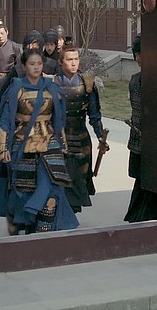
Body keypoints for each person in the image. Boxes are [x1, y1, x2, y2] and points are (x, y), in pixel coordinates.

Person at [0, 48, 79, 234]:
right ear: (24, 66)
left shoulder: (52, 88)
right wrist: (3, 148)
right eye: (32, 64)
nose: (36, 67)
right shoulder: (16, 89)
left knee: (52, 187)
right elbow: (5, 121)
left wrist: (63, 144)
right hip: (22, 142)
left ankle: (42, 233)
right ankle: (24, 224)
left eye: (39, 63)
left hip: (49, 142)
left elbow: (59, 119)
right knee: (22, 191)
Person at [53, 43, 108, 212]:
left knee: (79, 179)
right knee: (60, 179)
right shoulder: (53, 83)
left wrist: (100, 135)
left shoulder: (87, 83)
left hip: (81, 138)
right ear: (61, 61)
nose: (73, 63)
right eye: (69, 59)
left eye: (76, 59)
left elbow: (94, 114)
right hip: (58, 138)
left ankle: (71, 213)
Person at [124, 34, 157, 222]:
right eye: (138, 54)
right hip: (138, 139)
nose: (139, 58)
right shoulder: (134, 81)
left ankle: (146, 216)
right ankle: (138, 216)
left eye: (143, 53)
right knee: (142, 180)